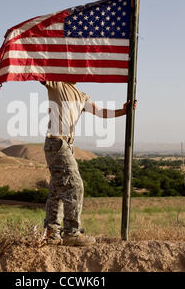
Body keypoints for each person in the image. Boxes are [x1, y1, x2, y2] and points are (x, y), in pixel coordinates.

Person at [41, 80, 137, 246]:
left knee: (58, 190)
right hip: (57, 142)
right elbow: (39, 73)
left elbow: (100, 112)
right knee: (75, 186)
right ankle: (71, 233)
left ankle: (51, 234)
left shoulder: (81, 95)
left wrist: (123, 111)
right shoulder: (56, 83)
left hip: (67, 145)